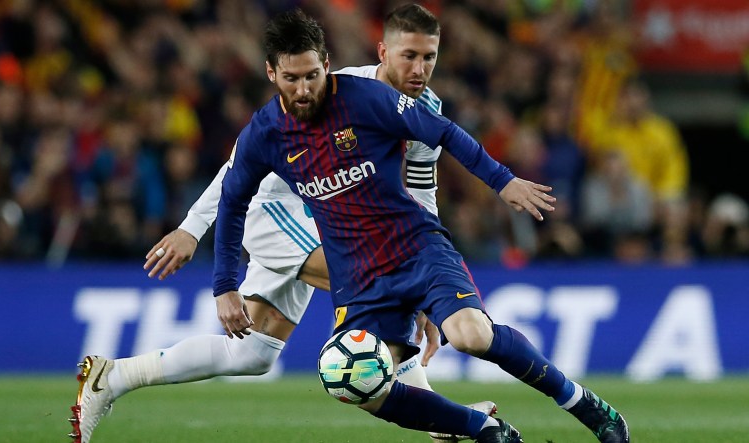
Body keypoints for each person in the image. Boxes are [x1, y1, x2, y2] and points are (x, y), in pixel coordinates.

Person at [68, 5, 495, 443]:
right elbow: (239, 166)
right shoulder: (344, 89)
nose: (418, 68)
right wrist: (192, 226)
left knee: (254, 351)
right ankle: (440, 424)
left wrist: (429, 260)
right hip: (277, 210)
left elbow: (421, 192)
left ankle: (113, 377)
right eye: (408, 56)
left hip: (326, 219)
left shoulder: (427, 107)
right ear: (384, 53)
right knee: (376, 278)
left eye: (428, 57)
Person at [210, 9, 628, 443]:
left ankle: (582, 403)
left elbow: (443, 132)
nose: (303, 89)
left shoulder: (366, 99)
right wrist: (225, 285)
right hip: (358, 278)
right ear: (271, 72)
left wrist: (502, 181)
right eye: (291, 78)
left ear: (326, 64)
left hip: (416, 249)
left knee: (470, 336)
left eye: (311, 75)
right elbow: (234, 202)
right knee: (352, 381)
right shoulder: (263, 134)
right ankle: (484, 429)